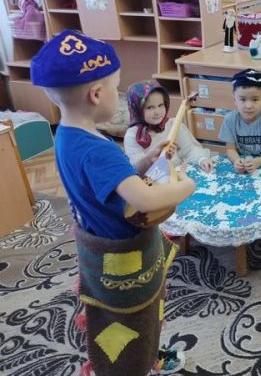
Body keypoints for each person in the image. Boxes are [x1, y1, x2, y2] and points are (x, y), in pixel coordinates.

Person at [31, 30, 194, 376]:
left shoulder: (67, 136)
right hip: (124, 255)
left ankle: (146, 356)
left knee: (128, 318)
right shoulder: (97, 149)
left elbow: (111, 183)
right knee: (138, 317)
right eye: (115, 89)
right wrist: (186, 187)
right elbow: (143, 197)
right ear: (96, 94)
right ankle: (139, 363)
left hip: (99, 248)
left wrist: (147, 160)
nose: (118, 100)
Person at [124, 80, 214, 173]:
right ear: (137, 109)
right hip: (152, 179)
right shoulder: (133, 135)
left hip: (178, 175)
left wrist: (201, 159)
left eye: (160, 105)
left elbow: (190, 149)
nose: (157, 112)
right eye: (150, 107)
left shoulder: (173, 124)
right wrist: (152, 156)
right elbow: (136, 168)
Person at [218, 69, 261, 174]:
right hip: (239, 165)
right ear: (235, 100)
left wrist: (257, 162)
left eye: (255, 100)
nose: (248, 106)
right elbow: (230, 149)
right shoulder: (229, 120)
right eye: (242, 99)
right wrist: (236, 161)